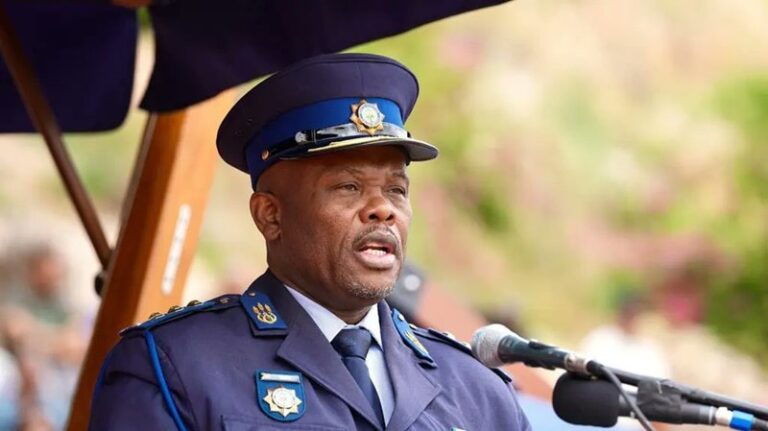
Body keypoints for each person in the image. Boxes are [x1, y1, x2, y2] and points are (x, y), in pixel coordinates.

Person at [89, 53, 531, 431]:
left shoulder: (477, 390)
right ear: (271, 215)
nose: (384, 210)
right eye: (348, 188)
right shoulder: (175, 367)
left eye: (396, 190)